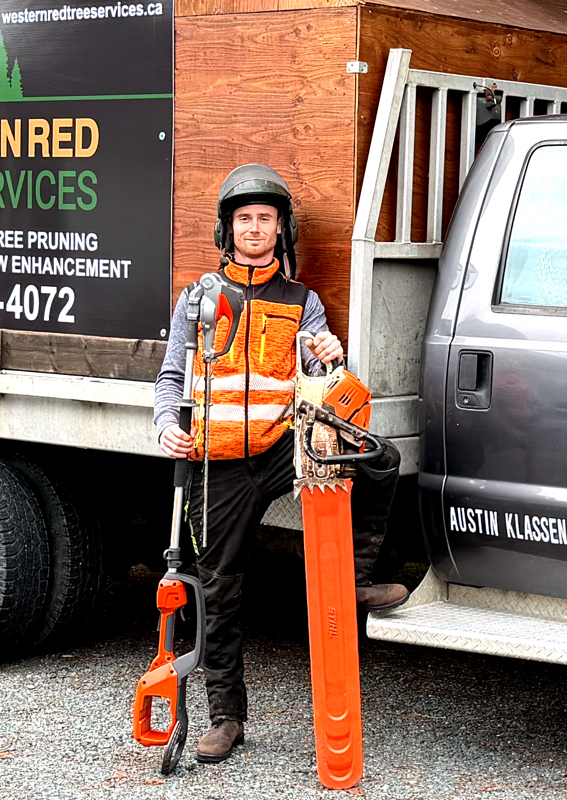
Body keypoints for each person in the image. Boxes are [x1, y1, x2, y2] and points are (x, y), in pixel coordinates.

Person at [154, 164, 407, 764]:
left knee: (380, 459)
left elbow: (323, 382)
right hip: (217, 464)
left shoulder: (304, 302)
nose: (255, 229)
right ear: (226, 229)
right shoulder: (196, 299)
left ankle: (352, 580)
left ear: (281, 229)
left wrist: (329, 357)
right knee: (220, 593)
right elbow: (169, 378)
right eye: (244, 219)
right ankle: (225, 718)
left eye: (266, 219)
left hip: (277, 449)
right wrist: (167, 425)